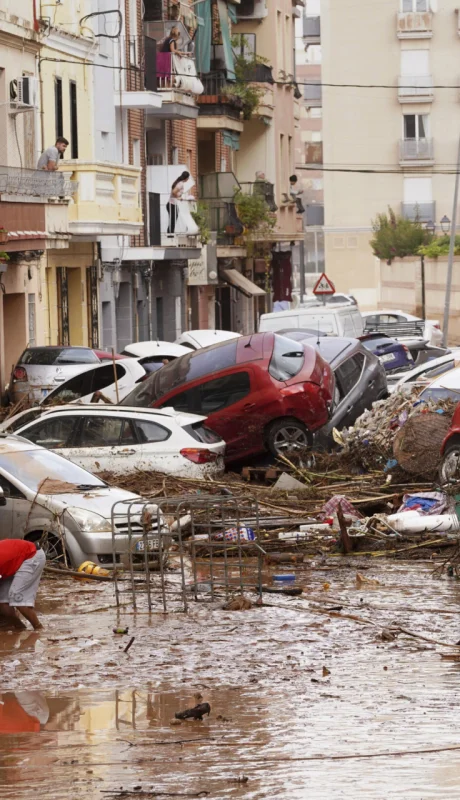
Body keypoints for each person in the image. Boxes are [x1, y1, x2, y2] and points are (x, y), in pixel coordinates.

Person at [0, 539, 46, 630]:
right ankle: (19, 627)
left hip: (32, 556)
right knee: (2, 602)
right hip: (13, 562)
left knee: (17, 597)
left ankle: (39, 629)